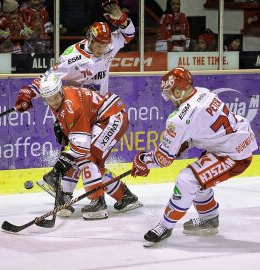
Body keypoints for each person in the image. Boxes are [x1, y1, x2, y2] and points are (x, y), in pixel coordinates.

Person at [14, 0, 142, 219]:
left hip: (97, 111)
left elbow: (129, 35)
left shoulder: (110, 44)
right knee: (82, 156)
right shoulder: (71, 57)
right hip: (78, 109)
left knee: (85, 156)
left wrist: (120, 17)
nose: (103, 50)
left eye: (105, 45)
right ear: (90, 39)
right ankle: (120, 196)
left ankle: (96, 199)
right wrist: (27, 93)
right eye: (99, 45)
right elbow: (48, 79)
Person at [130, 66, 258, 247]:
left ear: (177, 90)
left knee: (187, 180)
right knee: (200, 178)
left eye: (169, 93)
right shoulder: (203, 92)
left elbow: (163, 159)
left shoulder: (178, 120)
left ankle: (165, 226)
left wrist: (143, 161)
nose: (168, 98)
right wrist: (184, 143)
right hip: (236, 139)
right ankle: (209, 219)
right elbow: (200, 128)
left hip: (233, 154)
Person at [37, 73, 133, 220]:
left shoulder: (71, 106)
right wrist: (61, 127)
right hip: (101, 118)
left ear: (60, 91)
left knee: (86, 158)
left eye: (55, 97)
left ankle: (97, 202)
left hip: (111, 117)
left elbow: (81, 148)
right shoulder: (58, 98)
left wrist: (58, 168)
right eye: (49, 99)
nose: (53, 102)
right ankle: (124, 196)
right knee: (84, 160)